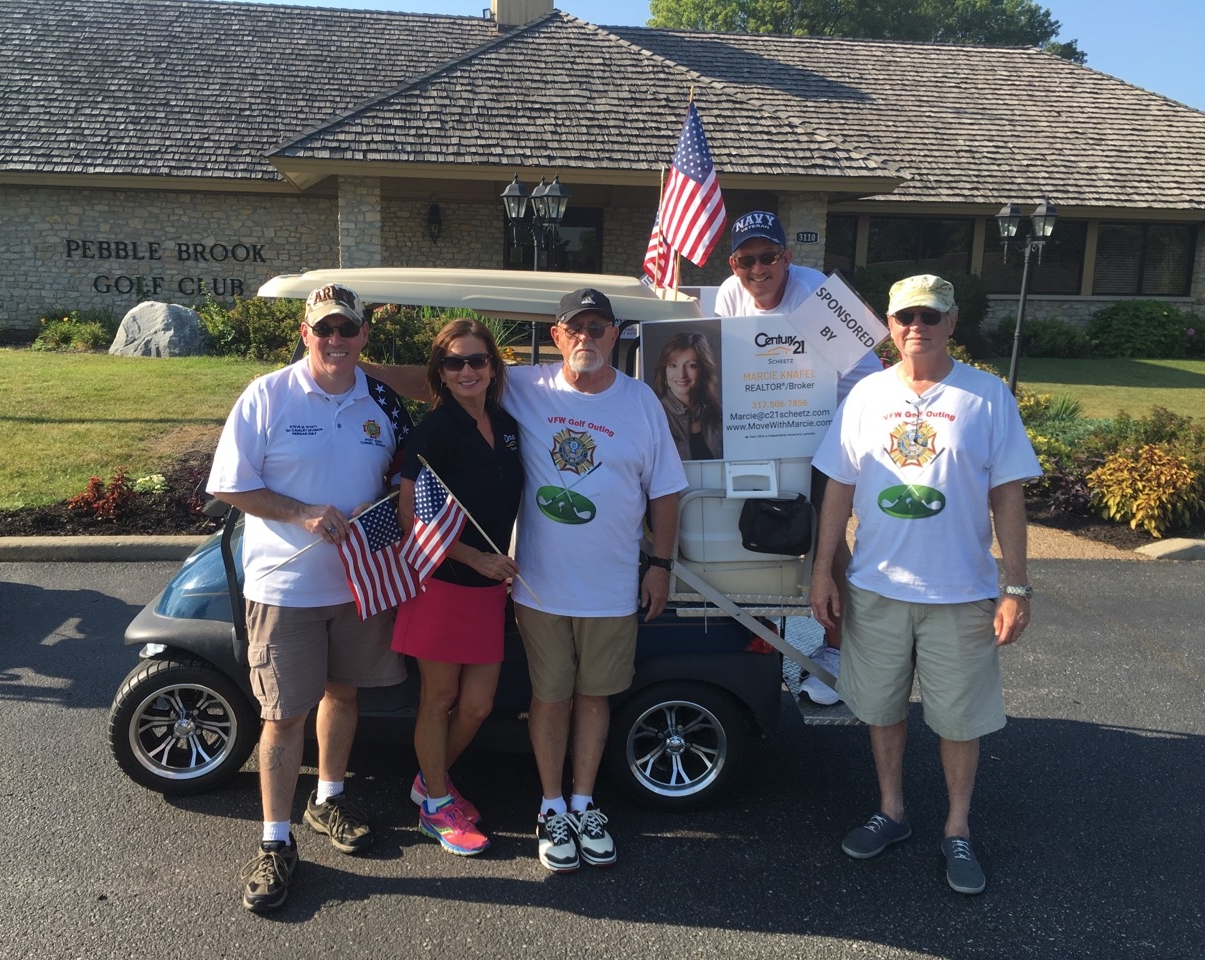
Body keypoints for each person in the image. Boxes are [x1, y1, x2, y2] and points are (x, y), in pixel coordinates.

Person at [363, 288, 686, 873]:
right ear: (557, 336)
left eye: (597, 327)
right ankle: (546, 806)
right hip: (534, 586)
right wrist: (356, 365)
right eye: (574, 328)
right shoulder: (525, 388)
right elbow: (435, 384)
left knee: (579, 698)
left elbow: (665, 491)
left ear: (615, 334)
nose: (586, 337)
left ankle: (582, 804)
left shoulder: (639, 401)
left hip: (606, 584)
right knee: (538, 697)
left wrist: (660, 566)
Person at [809, 274, 1040, 895]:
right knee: (882, 710)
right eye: (906, 317)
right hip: (877, 588)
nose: (918, 327)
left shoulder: (987, 396)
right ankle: (892, 811)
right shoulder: (865, 395)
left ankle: (957, 828)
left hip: (959, 594)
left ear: (952, 322)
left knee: (959, 721)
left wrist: (1016, 587)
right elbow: (838, 486)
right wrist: (823, 570)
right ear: (889, 325)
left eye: (930, 316)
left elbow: (1007, 495)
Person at [207, 282, 413, 913]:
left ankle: (328, 800)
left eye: (347, 329)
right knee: (283, 716)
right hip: (286, 586)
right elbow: (230, 485)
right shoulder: (268, 395)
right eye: (324, 329)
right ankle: (275, 841)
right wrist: (300, 513)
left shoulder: (382, 401)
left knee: (343, 695)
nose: (335, 339)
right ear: (305, 334)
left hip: (358, 581)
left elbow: (403, 474)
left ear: (364, 335)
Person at [716, 209, 882, 704]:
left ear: (787, 257)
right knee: (748, 524)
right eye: (746, 260)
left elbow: (871, 379)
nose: (757, 269)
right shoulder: (728, 294)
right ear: (733, 263)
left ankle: (840, 649)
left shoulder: (818, 294)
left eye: (768, 257)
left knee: (826, 543)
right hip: (765, 426)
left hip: (831, 428)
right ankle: (756, 629)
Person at [390, 319, 522, 857]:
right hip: (442, 583)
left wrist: (498, 563)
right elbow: (409, 518)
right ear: (440, 373)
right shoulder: (434, 431)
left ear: (492, 366)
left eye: (477, 360)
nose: (467, 370)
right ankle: (436, 806)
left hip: (490, 589)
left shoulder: (507, 424)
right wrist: (475, 558)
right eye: (454, 362)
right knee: (440, 699)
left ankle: (430, 781)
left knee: (478, 706)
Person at [652, 330, 723, 460]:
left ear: (703, 370)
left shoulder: (718, 413)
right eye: (673, 365)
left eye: (691, 366)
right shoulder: (653, 416)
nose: (681, 375)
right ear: (664, 371)